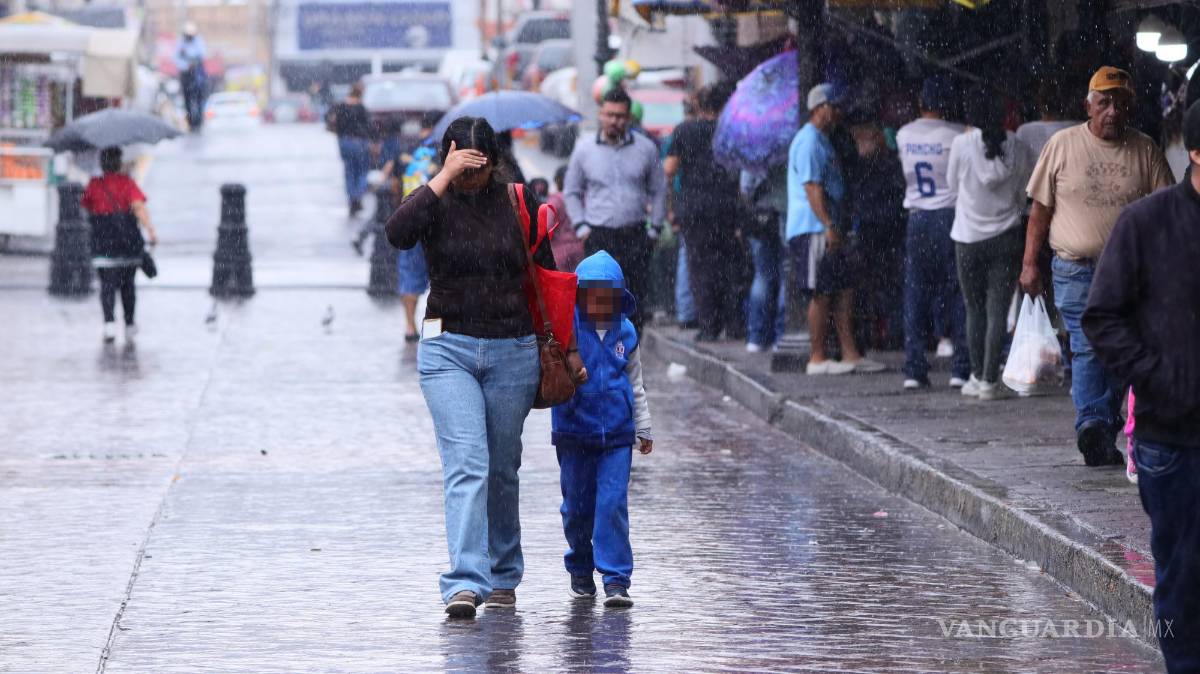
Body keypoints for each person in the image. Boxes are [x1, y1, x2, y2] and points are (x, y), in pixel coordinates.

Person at [384, 116, 582, 619]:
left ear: (494, 162)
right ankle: (465, 582)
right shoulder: (433, 198)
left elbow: (548, 275)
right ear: (449, 154)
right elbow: (397, 233)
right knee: (467, 463)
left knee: (501, 468)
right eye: (463, 166)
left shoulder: (517, 201)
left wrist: (569, 345)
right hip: (448, 348)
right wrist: (445, 176)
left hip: (512, 348)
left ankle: (503, 573)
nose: (472, 178)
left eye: (479, 167)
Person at [1082, 100, 1200, 672]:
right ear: (1195, 153)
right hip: (1172, 439)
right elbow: (1102, 316)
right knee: (1182, 576)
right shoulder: (1147, 224)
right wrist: (1160, 378)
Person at [1021, 66, 1174, 467]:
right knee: (1089, 347)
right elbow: (1040, 211)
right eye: (1104, 102)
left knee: (1122, 348)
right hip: (1075, 268)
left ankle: (1101, 423)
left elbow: (1167, 213)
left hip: (1131, 272)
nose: (1112, 111)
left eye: (1120, 104)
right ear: (1087, 105)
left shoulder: (1145, 150)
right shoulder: (1062, 145)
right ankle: (1093, 423)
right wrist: (1028, 265)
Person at [552, 250, 652, 608]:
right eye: (590, 293)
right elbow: (548, 374)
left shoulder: (626, 331)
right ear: (579, 295)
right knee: (576, 506)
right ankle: (580, 566)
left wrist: (643, 428)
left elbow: (635, 382)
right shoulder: (567, 328)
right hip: (574, 432)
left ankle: (615, 579)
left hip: (617, 436)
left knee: (612, 503)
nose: (598, 302)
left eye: (606, 295)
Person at [787, 84, 884, 375]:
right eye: (834, 106)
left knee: (842, 289)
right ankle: (817, 356)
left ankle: (849, 352)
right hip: (814, 227)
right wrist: (828, 223)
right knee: (822, 291)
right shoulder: (809, 142)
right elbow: (812, 187)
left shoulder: (822, 140)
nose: (838, 112)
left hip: (829, 225)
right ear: (820, 108)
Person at [947, 89, 1036, 401]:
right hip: (1007, 236)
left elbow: (950, 184)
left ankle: (974, 373)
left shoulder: (961, 144)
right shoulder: (1019, 147)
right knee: (998, 309)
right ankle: (989, 379)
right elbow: (1026, 190)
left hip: (968, 237)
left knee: (974, 308)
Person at [563, 86, 668, 330]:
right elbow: (572, 191)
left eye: (620, 116)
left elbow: (659, 189)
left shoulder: (645, 149)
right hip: (599, 235)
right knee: (599, 304)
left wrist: (655, 228)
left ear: (628, 118)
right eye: (609, 114)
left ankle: (631, 355)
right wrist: (581, 226)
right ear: (601, 115)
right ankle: (602, 357)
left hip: (635, 235)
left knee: (635, 297)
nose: (614, 121)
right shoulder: (584, 150)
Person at [895, 76, 971, 389]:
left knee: (916, 293)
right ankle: (960, 367)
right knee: (956, 291)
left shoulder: (903, 134)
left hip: (917, 218)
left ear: (920, 103)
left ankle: (914, 367)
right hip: (950, 216)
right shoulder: (957, 135)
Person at [663, 84, 742, 342]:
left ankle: (708, 325)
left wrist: (671, 206)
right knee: (729, 264)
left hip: (695, 208)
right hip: (727, 206)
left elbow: (669, 169)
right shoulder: (731, 131)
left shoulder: (685, 130)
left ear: (700, 105)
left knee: (700, 266)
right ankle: (734, 323)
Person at [81, 147, 158, 343]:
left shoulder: (95, 184)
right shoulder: (126, 183)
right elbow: (138, 206)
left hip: (103, 243)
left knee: (106, 286)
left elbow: (86, 207)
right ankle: (130, 323)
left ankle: (109, 325)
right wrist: (150, 230)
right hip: (127, 244)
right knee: (128, 285)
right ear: (118, 163)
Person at [848, 120, 906, 351]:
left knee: (877, 286)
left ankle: (880, 333)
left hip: (876, 230)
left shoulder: (866, 167)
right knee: (886, 285)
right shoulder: (885, 165)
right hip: (885, 229)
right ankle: (888, 332)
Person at [740, 165, 788, 352]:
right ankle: (781, 335)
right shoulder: (788, 149)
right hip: (784, 215)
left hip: (760, 219)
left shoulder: (753, 155)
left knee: (762, 275)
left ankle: (756, 336)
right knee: (786, 275)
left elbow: (745, 189)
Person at [328, 83, 372, 216]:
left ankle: (352, 198)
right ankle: (358, 197)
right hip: (360, 142)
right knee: (362, 171)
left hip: (344, 141)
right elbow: (369, 126)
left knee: (349, 171)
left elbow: (330, 120)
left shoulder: (340, 106)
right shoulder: (362, 108)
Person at [546, 165, 584, 272]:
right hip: (579, 249)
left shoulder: (555, 200)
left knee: (561, 285)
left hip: (559, 252)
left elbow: (547, 227)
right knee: (577, 283)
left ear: (557, 181)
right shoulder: (580, 198)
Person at [174, 22, 208, 132]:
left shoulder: (199, 42)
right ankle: (190, 121)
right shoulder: (180, 43)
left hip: (197, 75)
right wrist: (186, 65)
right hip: (186, 75)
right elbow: (176, 58)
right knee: (187, 99)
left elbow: (202, 55)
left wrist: (193, 62)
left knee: (199, 97)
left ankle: (199, 120)